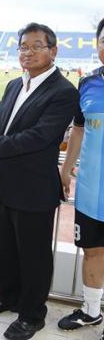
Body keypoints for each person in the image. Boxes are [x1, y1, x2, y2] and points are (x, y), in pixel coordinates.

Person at [0, 22, 79, 340]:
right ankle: (8, 297)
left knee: (35, 256)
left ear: (53, 51)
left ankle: (32, 315)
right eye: (23, 46)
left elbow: (38, 137)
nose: (28, 52)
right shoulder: (15, 84)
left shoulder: (64, 92)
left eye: (37, 46)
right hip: (6, 184)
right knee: (6, 248)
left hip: (35, 189)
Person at [57, 18, 104, 339]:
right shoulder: (87, 83)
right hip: (91, 190)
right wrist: (65, 169)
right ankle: (91, 311)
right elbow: (78, 129)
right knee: (93, 251)